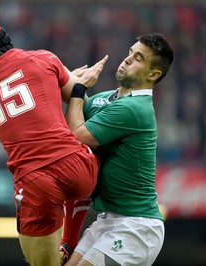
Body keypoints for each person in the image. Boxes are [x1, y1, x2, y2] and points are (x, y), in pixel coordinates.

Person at [0, 22, 107, 266]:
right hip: (80, 167)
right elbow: (79, 99)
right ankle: (69, 241)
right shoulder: (43, 58)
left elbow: (23, 113)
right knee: (86, 152)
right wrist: (74, 83)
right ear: (8, 39)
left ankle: (64, 249)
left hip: (35, 181)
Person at [63, 33, 174, 266]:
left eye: (138, 58)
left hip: (136, 226)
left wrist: (77, 90)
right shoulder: (110, 99)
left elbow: (77, 136)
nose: (127, 60)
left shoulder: (135, 108)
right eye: (130, 53)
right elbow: (77, 100)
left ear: (154, 74)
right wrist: (60, 75)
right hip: (108, 221)